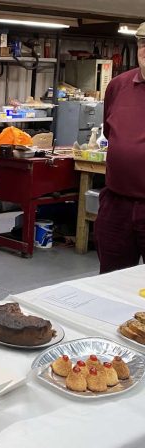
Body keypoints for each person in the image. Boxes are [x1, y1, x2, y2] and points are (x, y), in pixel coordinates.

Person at [95, 22, 145, 273]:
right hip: (117, 206)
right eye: (143, 43)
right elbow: (110, 132)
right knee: (110, 283)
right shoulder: (118, 86)